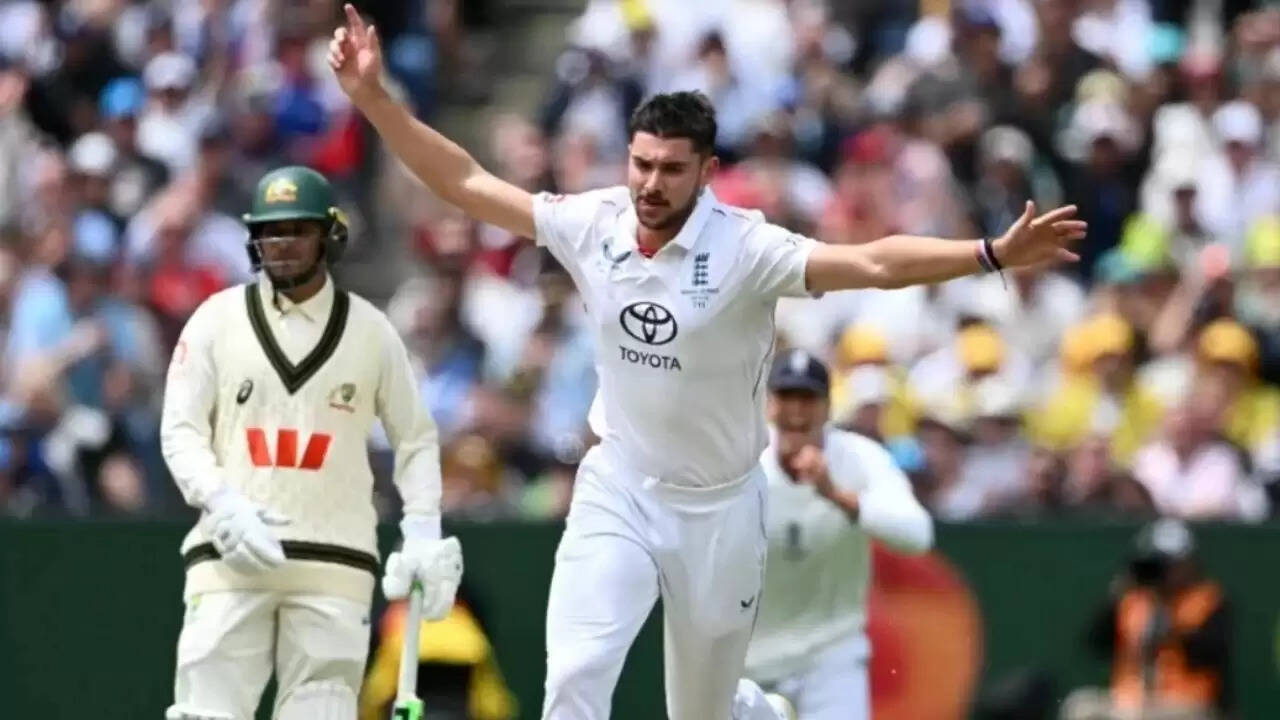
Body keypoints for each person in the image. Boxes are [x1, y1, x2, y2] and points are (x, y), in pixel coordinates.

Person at [326, 6, 1086, 719]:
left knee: (701, 711)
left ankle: (751, 709)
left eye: (671, 170)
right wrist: (374, 97)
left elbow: (875, 264)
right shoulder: (593, 223)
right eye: (641, 165)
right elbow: (465, 181)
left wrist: (988, 254)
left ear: (708, 170)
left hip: (721, 509)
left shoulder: (748, 249)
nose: (651, 186)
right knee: (573, 680)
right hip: (618, 485)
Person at [159, 165, 463, 720]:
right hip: (230, 557)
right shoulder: (215, 321)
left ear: (330, 235)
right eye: (271, 232)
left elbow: (415, 439)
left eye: (297, 230)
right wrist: (221, 500)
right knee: (206, 712)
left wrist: (422, 530)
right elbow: (179, 431)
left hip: (334, 564)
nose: (282, 245)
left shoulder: (370, 331)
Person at [748, 349, 934, 719]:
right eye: (786, 396)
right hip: (749, 664)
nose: (797, 410)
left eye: (808, 398)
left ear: (828, 407)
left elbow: (917, 535)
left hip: (831, 657)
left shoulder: (861, 458)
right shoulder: (744, 462)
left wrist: (837, 496)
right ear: (768, 404)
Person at [1063, 518, 1233, 720]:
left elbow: (1212, 654)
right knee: (1080, 706)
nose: (1162, 571)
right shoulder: (1133, 599)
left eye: (1167, 564)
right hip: (1129, 698)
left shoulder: (1206, 599)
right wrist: (1116, 595)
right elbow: (1095, 643)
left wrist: (1173, 632)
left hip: (1187, 702)